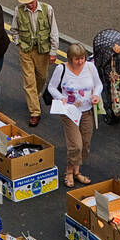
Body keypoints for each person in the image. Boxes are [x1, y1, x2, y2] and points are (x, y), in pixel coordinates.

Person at [47, 43, 102, 188]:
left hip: (87, 111)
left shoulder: (90, 67)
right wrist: (61, 97)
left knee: (85, 144)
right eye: (77, 59)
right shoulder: (61, 69)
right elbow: (51, 87)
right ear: (70, 58)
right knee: (76, 145)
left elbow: (98, 85)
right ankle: (69, 172)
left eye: (82, 58)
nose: (80, 62)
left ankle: (77, 171)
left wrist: (96, 95)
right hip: (69, 112)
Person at [12, 0, 59, 127]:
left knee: (42, 77)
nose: (30, 4)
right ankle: (34, 112)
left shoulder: (47, 9)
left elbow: (54, 31)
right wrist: (18, 43)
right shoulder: (18, 10)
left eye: (31, 1)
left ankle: (35, 96)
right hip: (26, 50)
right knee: (29, 82)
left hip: (42, 50)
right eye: (27, 2)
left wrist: (53, 52)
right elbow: (14, 29)